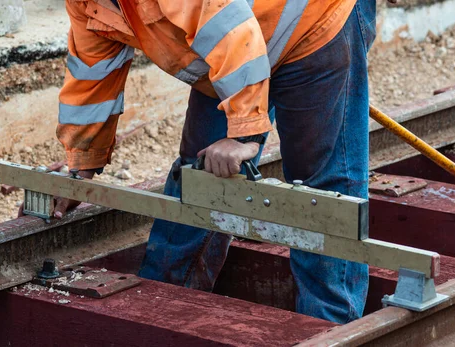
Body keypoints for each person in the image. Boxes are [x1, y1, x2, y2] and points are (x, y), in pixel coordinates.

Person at [48, 0, 376, 323]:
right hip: (231, 52)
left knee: (323, 194)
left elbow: (232, 31)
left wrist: (243, 135)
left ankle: (329, 325)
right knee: (199, 176)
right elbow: (92, 73)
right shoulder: (86, 3)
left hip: (313, 24)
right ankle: (165, 307)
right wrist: (81, 166)